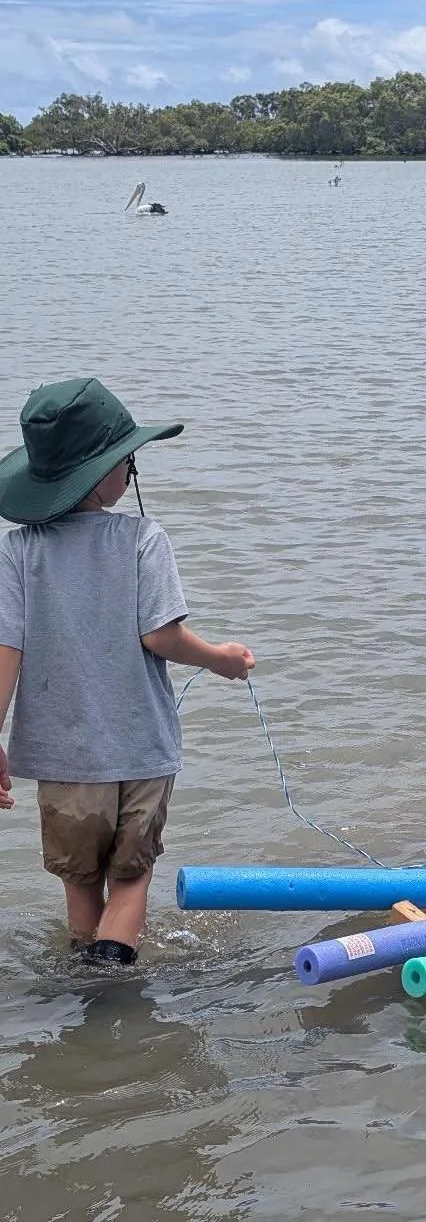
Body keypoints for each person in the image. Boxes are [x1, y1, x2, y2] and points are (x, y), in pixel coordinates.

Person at [0, 377, 256, 965]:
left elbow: (6, 651)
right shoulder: (144, 539)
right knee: (133, 878)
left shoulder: (19, 550)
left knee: (79, 880)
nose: (132, 470)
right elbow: (160, 637)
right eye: (128, 460)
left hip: (63, 762)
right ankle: (112, 985)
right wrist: (220, 659)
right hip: (140, 750)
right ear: (105, 474)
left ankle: (84, 986)